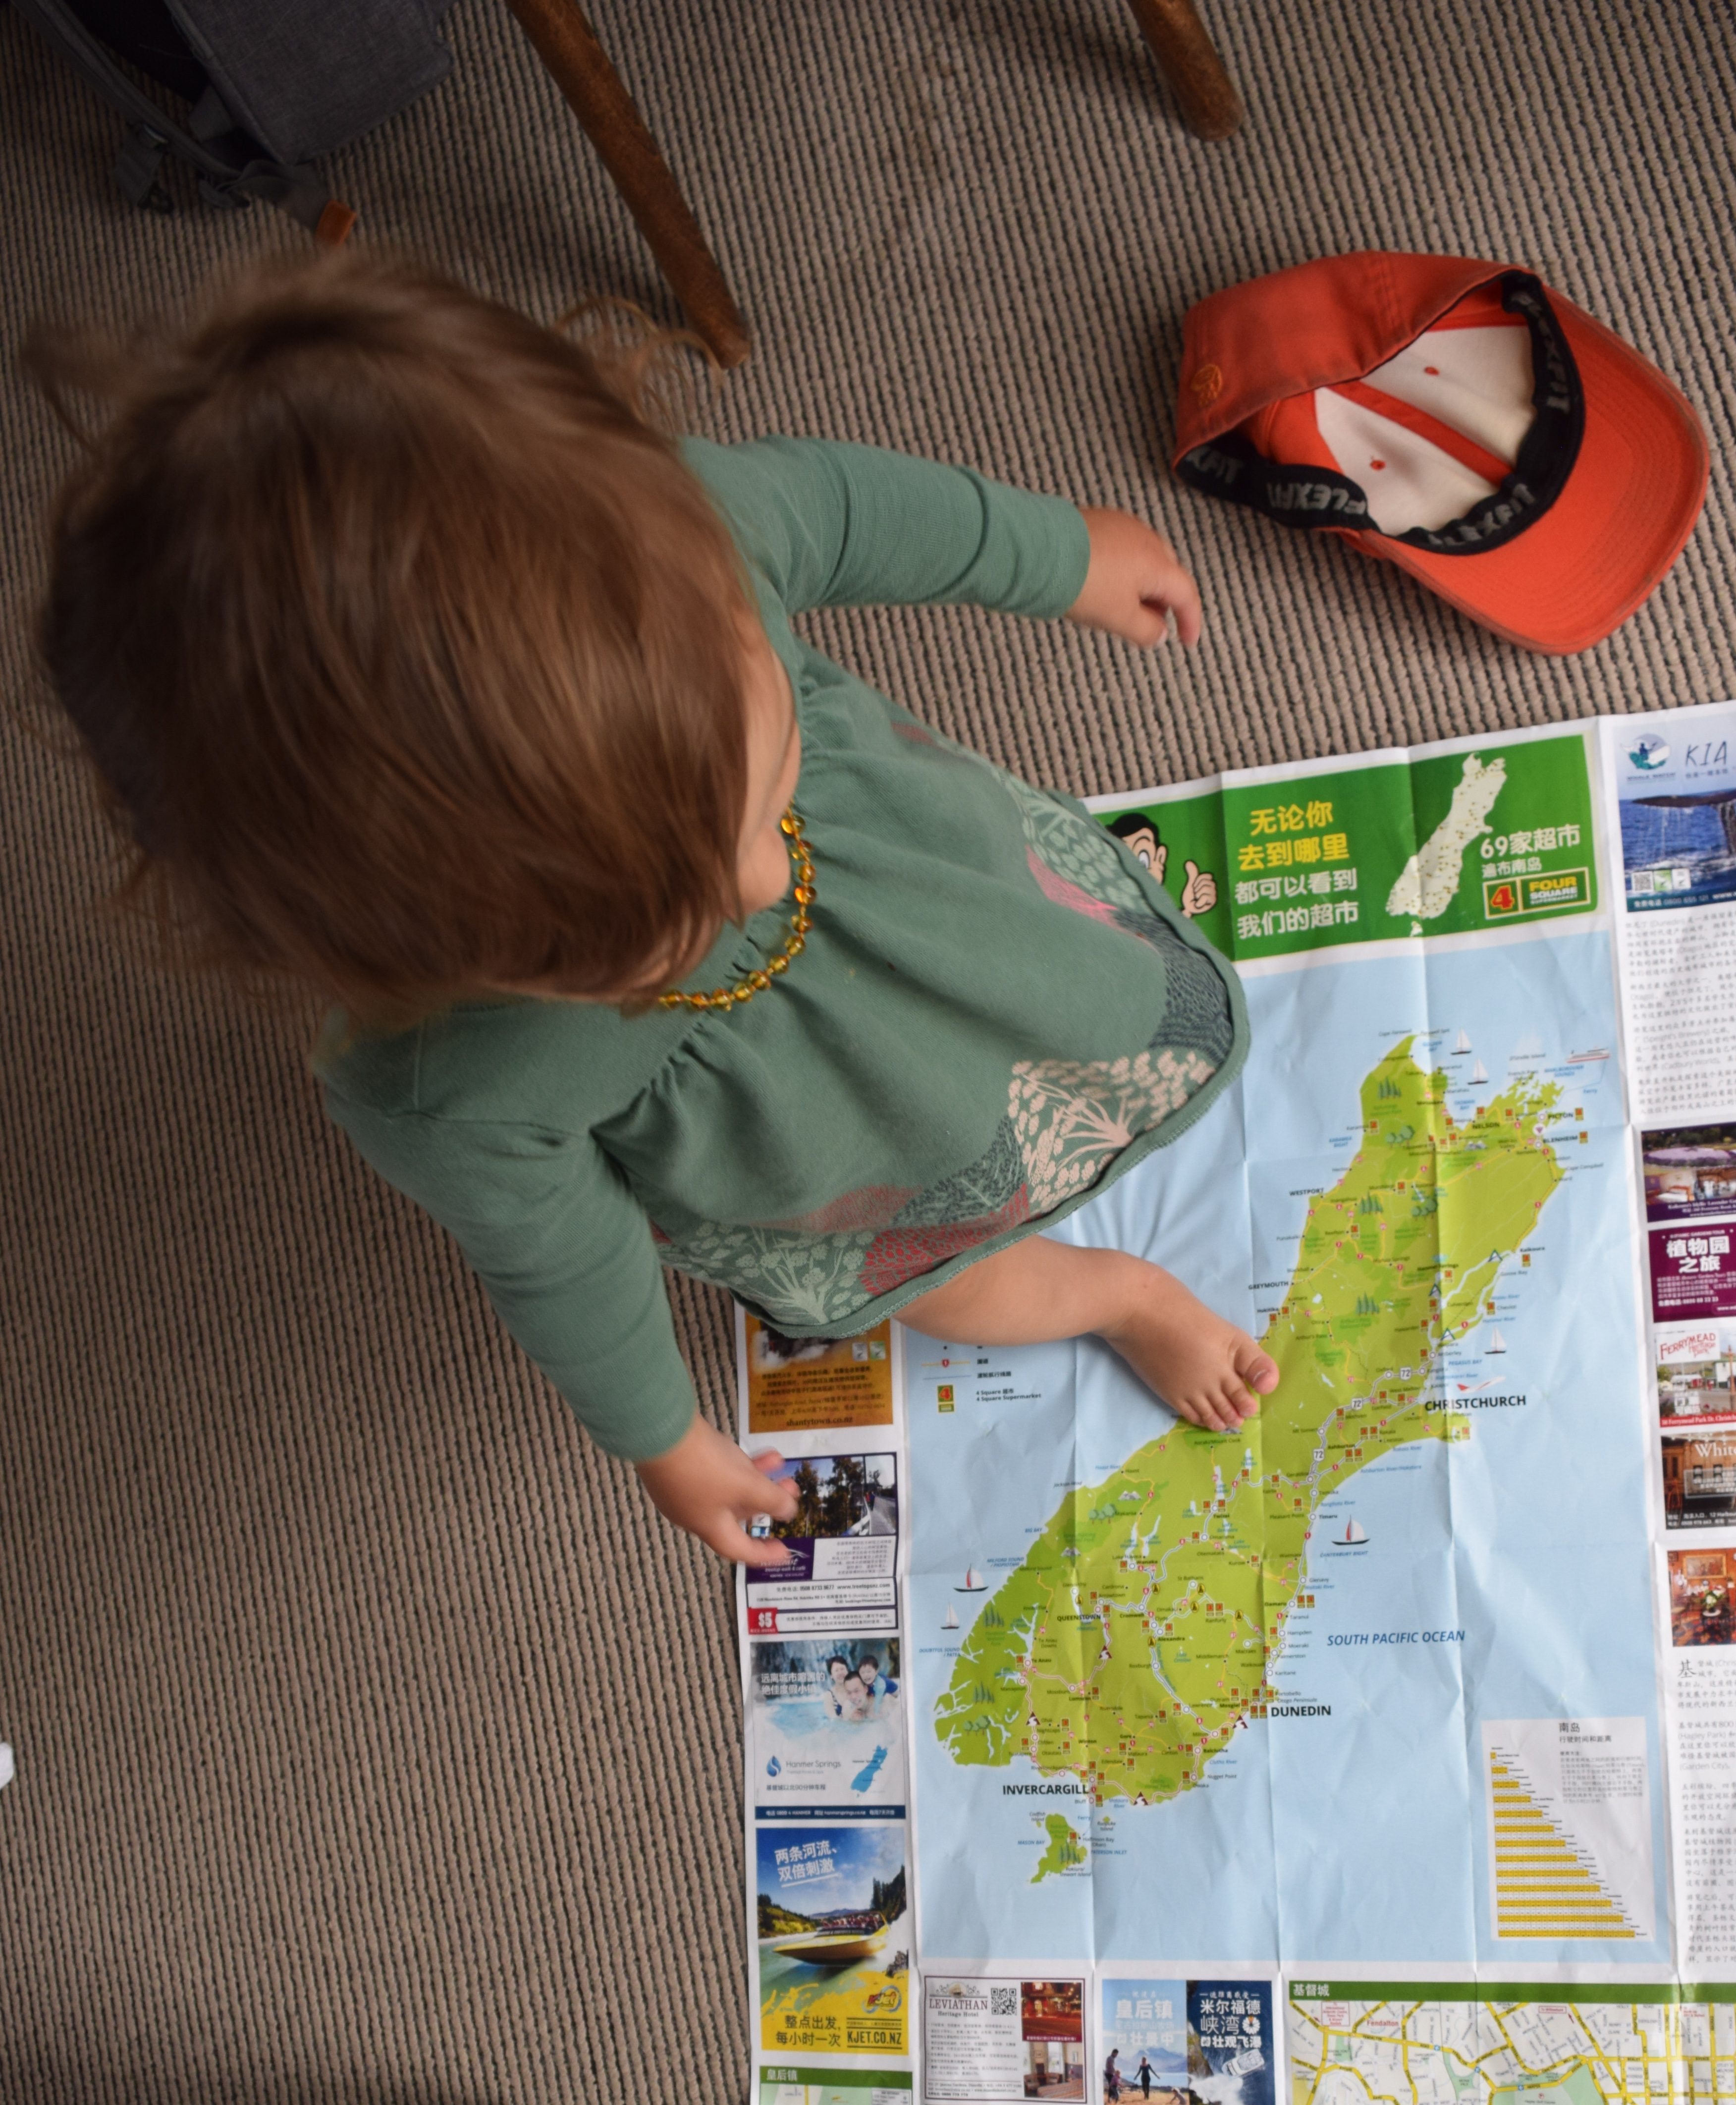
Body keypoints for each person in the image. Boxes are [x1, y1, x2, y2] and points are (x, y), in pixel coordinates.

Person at [27, 256, 1276, 1569]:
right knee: (955, 1281)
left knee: (1090, 983)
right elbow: (568, 1273)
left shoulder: (689, 535)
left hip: (955, 903)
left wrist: (1058, 553)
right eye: (633, 936)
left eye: (764, 790)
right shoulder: (440, 1088)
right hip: (834, 1167)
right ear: (389, 959)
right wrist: (660, 1436)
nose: (761, 886)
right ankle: (1119, 1299)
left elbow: (854, 509)